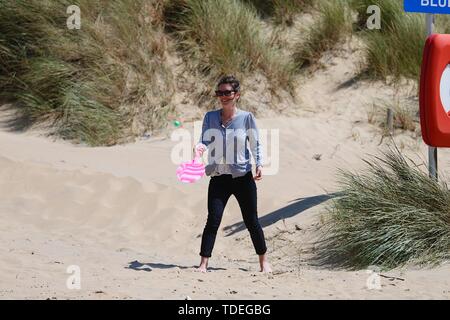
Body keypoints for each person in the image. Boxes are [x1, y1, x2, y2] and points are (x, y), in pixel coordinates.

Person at [194, 75, 272, 273]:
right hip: (219, 177)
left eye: (227, 92)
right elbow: (204, 139)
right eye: (219, 93)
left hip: (242, 177)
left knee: (251, 220)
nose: (223, 96)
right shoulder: (210, 117)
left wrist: (259, 164)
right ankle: (203, 264)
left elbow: (254, 143)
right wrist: (200, 149)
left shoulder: (246, 118)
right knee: (213, 219)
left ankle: (264, 262)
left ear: (237, 95)